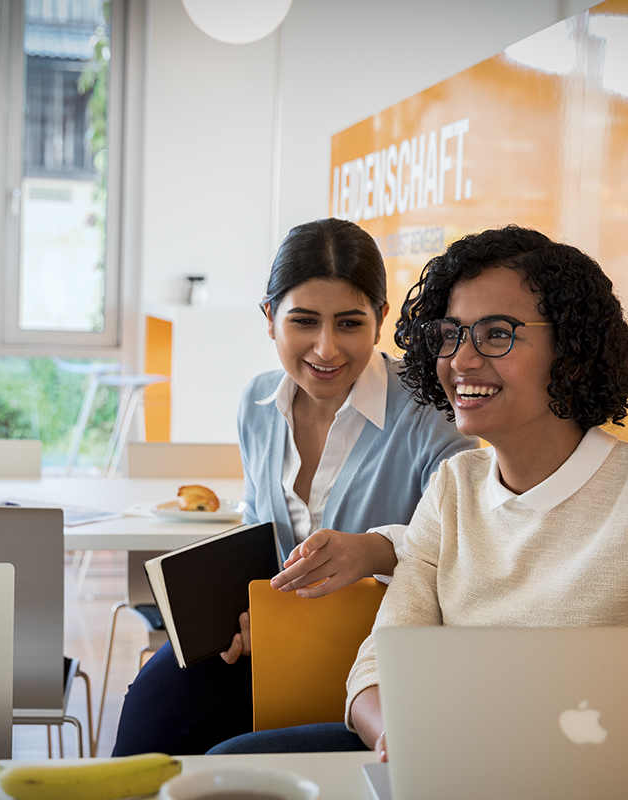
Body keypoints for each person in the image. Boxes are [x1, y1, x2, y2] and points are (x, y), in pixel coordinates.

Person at [209, 225, 628, 755]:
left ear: (571, 350)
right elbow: (376, 670)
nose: (461, 359)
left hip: (584, 777)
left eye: (496, 334)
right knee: (225, 766)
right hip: (445, 761)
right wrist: (396, 738)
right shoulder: (453, 488)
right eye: (451, 334)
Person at [112, 218, 477, 756]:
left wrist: (374, 548)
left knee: (214, 747)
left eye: (349, 324)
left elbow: (471, 536)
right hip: (280, 636)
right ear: (269, 318)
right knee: (155, 703)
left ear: (379, 319)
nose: (326, 349)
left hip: (377, 649)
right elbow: (261, 539)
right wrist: (248, 613)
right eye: (303, 321)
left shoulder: (430, 410)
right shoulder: (258, 403)